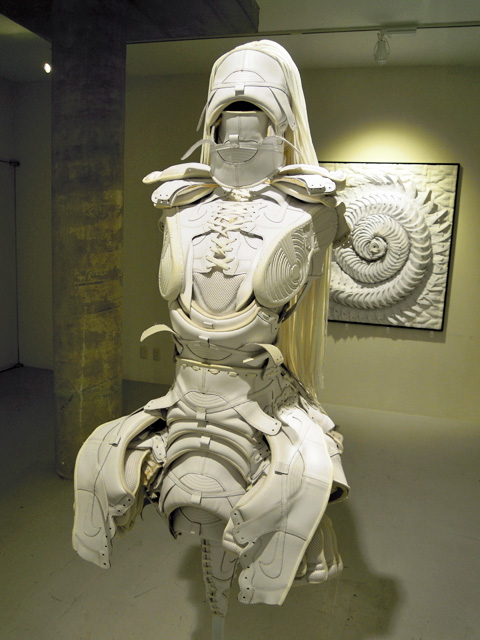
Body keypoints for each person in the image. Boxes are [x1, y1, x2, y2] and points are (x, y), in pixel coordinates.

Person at [73, 40, 349, 615]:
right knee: (99, 461)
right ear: (211, 116)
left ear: (281, 118)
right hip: (183, 391)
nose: (241, 119)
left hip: (255, 395)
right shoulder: (178, 201)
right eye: (229, 107)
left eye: (255, 108)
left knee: (308, 471)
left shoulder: (311, 206)